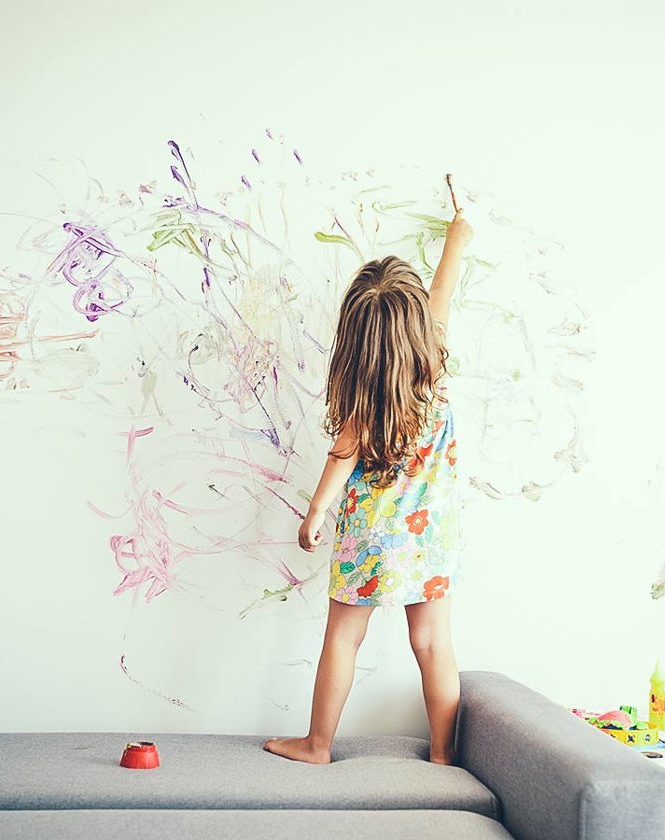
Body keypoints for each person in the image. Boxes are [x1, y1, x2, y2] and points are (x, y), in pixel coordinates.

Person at [263, 208, 475, 765]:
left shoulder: (363, 397)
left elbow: (340, 459)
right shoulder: (435, 372)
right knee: (432, 645)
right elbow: (444, 290)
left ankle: (317, 744)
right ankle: (444, 753)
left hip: (369, 536)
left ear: (355, 337)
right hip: (431, 537)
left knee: (343, 638)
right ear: (416, 324)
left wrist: (313, 516)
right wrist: (458, 235)